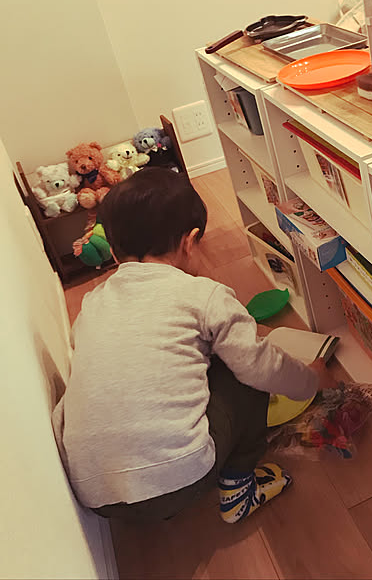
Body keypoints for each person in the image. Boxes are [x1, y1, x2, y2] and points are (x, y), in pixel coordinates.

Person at [52, 167, 328, 523]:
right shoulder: (202, 294)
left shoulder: (92, 303)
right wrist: (311, 379)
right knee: (243, 371)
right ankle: (239, 490)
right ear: (190, 241)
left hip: (96, 496)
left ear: (115, 254)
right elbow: (260, 366)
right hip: (177, 483)